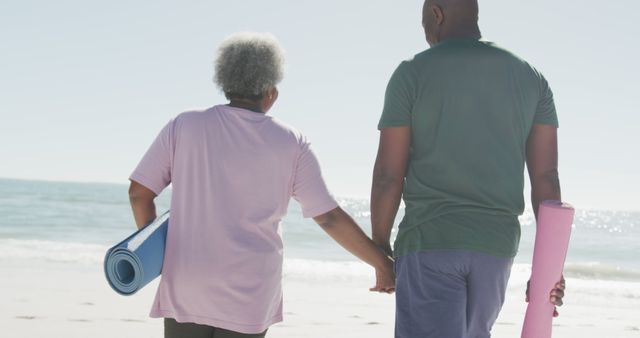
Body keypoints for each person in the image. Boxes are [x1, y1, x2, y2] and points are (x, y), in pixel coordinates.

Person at [128, 32, 395, 338]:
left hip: (187, 280)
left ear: (224, 82)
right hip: (249, 290)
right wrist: (382, 263)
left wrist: (155, 253)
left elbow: (139, 194)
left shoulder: (183, 126)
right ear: (271, 91)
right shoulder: (291, 142)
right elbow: (328, 216)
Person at [370, 0, 566, 337]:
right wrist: (549, 269)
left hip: (430, 240)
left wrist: (380, 250)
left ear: (437, 13)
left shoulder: (411, 72)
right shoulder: (531, 77)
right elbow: (546, 179)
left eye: (423, 20)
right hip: (496, 248)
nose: (425, 31)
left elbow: (389, 175)